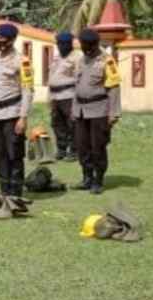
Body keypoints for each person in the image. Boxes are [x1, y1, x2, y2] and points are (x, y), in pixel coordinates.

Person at [0, 24, 33, 197]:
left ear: (12, 41)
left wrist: (23, 117)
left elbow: (28, 90)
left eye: (4, 42)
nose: (1, 45)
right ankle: (4, 189)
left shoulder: (22, 60)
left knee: (14, 153)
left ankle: (16, 191)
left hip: (13, 113)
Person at [72, 29, 121, 194]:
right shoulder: (81, 60)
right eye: (83, 46)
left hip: (99, 110)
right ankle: (86, 177)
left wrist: (113, 113)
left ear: (95, 44)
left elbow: (114, 88)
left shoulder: (107, 61)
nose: (85, 49)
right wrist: (73, 109)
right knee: (82, 146)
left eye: (88, 46)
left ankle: (98, 179)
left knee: (97, 147)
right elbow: (77, 86)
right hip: (80, 110)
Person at [48, 31, 80, 162]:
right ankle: (61, 149)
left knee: (72, 124)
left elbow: (79, 79)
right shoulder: (56, 57)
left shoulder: (77, 57)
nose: (61, 46)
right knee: (57, 124)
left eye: (64, 44)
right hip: (55, 96)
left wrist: (77, 101)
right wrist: (49, 98)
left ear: (70, 44)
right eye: (59, 44)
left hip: (69, 95)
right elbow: (51, 78)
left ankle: (74, 150)